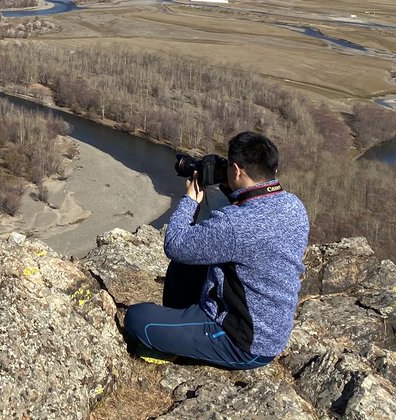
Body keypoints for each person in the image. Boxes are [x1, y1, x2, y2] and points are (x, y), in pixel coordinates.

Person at [123, 131, 309, 369]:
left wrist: (190, 199)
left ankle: (177, 341)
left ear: (237, 170)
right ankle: (183, 327)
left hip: (242, 343)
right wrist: (228, 182)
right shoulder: (294, 206)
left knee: (138, 319)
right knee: (185, 265)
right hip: (269, 330)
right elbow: (250, 221)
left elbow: (176, 244)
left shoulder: (236, 223)